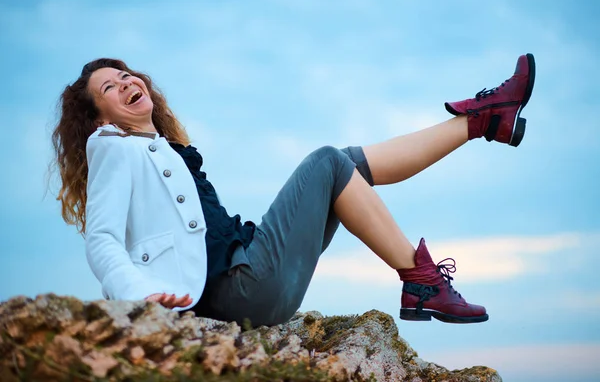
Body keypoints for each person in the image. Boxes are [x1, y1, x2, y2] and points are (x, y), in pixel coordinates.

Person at [51, 53, 535, 327]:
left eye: (126, 75)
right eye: (110, 88)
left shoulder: (161, 149)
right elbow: (102, 239)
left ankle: (481, 122)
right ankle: (422, 282)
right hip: (238, 290)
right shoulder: (110, 147)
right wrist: (139, 297)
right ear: (99, 119)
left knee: (342, 164)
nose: (126, 82)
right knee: (327, 161)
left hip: (249, 277)